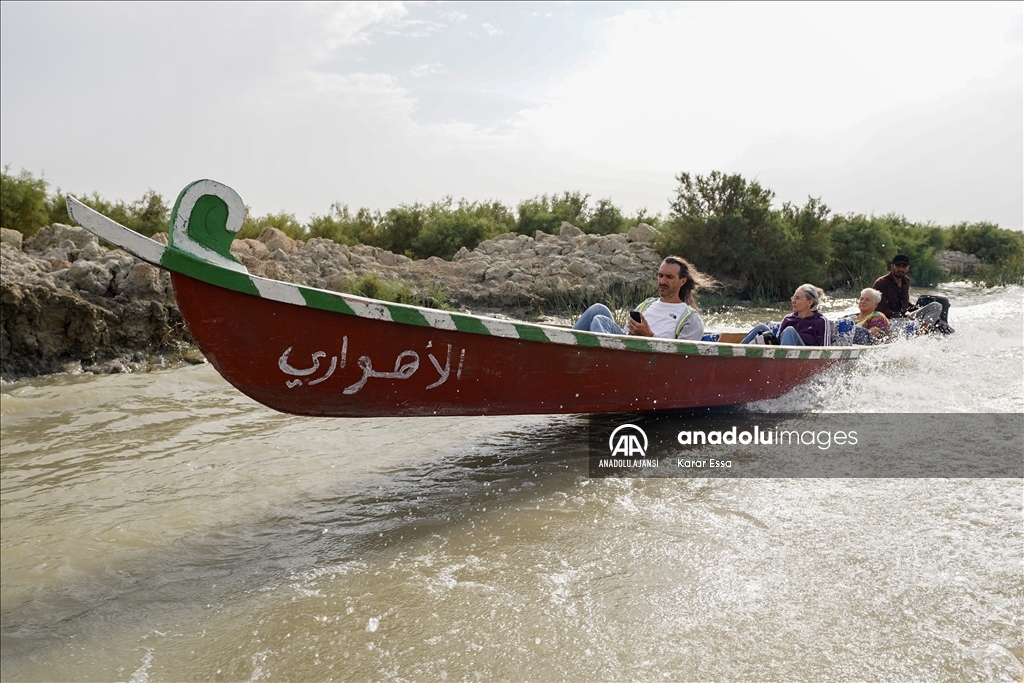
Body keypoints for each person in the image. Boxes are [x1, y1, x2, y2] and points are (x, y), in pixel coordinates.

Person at [572, 256, 711, 341]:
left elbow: (682, 358)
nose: (662, 281)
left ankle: (603, 363)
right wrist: (634, 333)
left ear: (682, 281)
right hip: (628, 348)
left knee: (600, 320)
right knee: (598, 309)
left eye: (669, 277)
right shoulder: (647, 305)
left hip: (648, 362)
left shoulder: (690, 318)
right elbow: (626, 333)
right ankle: (561, 350)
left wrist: (649, 336)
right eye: (660, 275)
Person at [742, 284, 831, 346]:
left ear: (809, 302)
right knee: (761, 327)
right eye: (793, 298)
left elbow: (827, 350)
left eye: (798, 298)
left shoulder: (821, 321)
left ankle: (782, 362)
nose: (793, 301)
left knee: (789, 330)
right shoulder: (788, 319)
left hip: (803, 360)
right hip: (780, 355)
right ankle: (735, 354)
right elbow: (779, 342)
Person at [873, 254, 942, 325]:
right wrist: (905, 317)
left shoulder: (906, 281)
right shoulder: (881, 283)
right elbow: (881, 310)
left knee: (936, 306)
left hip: (904, 317)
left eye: (904, 266)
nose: (901, 269)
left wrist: (917, 309)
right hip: (888, 320)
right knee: (908, 322)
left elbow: (905, 303)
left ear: (908, 268)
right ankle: (921, 328)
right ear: (892, 267)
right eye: (898, 266)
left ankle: (924, 328)